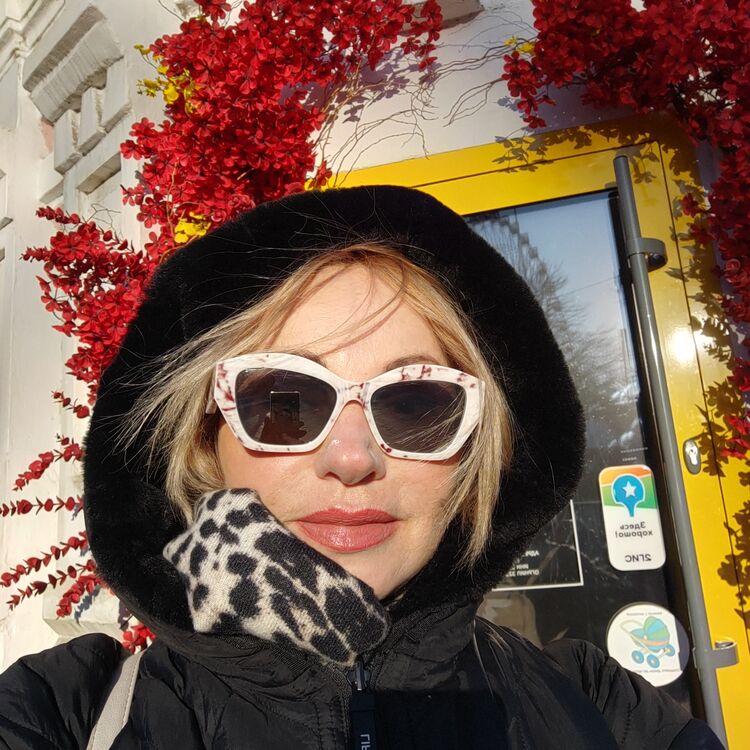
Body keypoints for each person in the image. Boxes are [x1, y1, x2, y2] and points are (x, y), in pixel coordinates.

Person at [0, 186, 722, 749]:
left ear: (477, 451)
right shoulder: (67, 713)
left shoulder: (598, 706)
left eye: (415, 403)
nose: (352, 458)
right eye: (282, 401)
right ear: (205, 439)